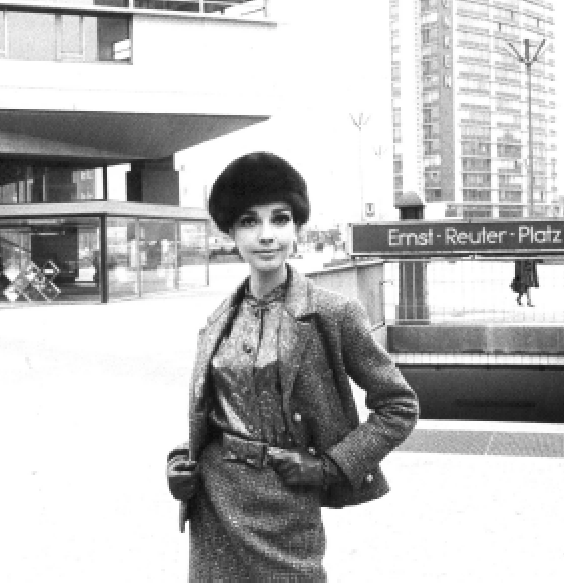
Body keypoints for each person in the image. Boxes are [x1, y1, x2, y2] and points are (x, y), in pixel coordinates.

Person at [166, 152, 419, 580]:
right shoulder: (216, 321)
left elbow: (399, 406)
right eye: (249, 221)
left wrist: (330, 467)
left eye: (279, 219)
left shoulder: (332, 314)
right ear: (230, 232)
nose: (266, 236)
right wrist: (179, 461)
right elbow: (213, 415)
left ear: (297, 227)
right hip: (214, 504)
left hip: (287, 504)